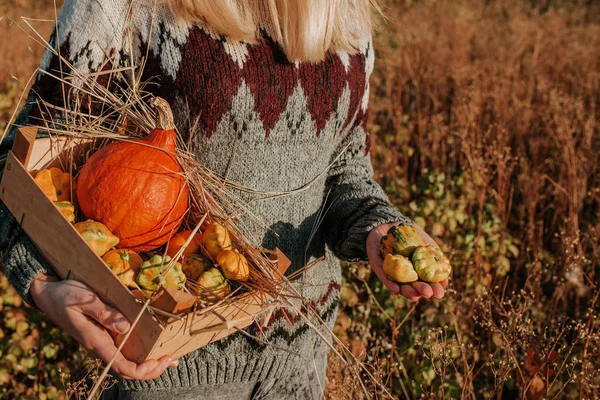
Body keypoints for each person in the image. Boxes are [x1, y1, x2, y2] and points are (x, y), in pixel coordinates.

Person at [0, 0, 448, 398]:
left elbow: (344, 167)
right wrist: (40, 285)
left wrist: (376, 228)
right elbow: (19, 169)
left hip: (300, 364)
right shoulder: (127, 7)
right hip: (172, 372)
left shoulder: (344, 14)